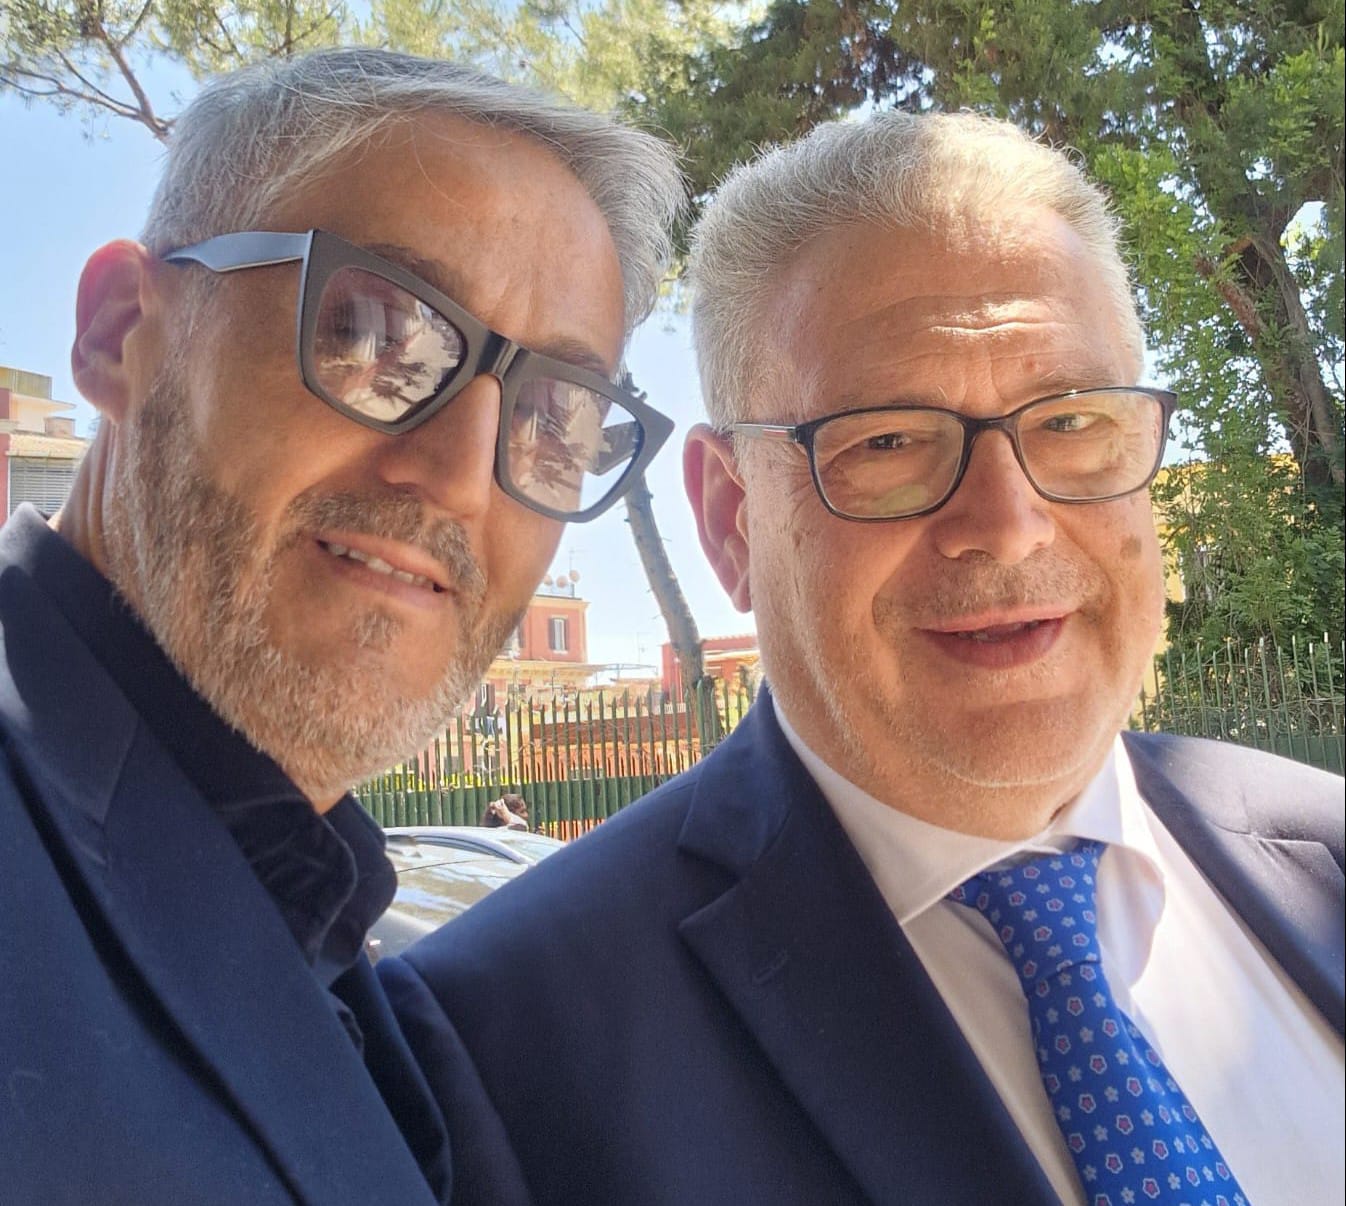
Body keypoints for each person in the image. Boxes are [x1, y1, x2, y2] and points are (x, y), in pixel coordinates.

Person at [380, 111, 1345, 1205]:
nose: (1008, 525)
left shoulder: (1325, 857)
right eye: (887, 441)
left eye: (1072, 422)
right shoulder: (495, 1052)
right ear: (732, 520)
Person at [0, 47, 681, 1206]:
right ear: (121, 334)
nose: (461, 478)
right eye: (375, 335)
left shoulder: (348, 953)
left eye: (553, 417)